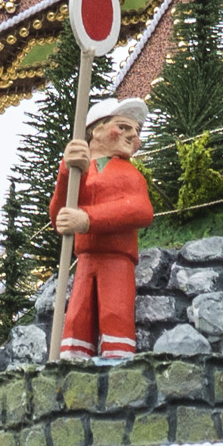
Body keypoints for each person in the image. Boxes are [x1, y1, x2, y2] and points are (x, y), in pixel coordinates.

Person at [53, 92, 153, 364]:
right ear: (96, 130)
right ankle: (72, 365)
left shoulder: (129, 173)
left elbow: (140, 210)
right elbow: (59, 215)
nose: (134, 135)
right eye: (123, 127)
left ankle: (118, 365)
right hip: (86, 259)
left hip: (116, 259)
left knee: (115, 312)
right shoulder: (80, 171)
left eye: (136, 130)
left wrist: (87, 219)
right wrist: (66, 172)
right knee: (77, 316)